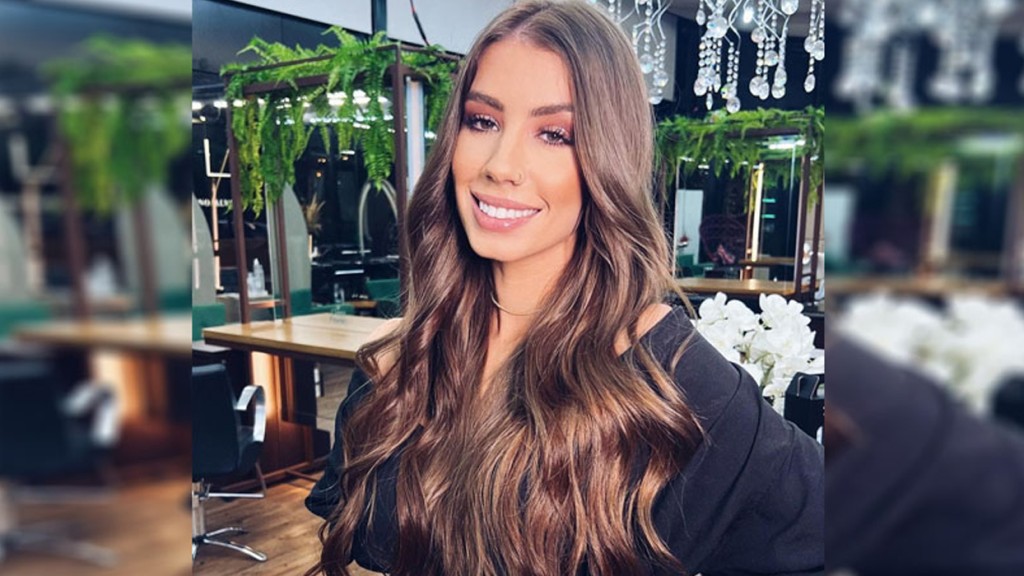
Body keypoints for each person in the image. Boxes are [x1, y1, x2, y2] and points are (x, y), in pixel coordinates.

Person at [305, 1, 823, 575]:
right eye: (482, 121)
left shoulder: (672, 381)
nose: (501, 165)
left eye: (554, 134)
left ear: (608, 159)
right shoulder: (400, 361)